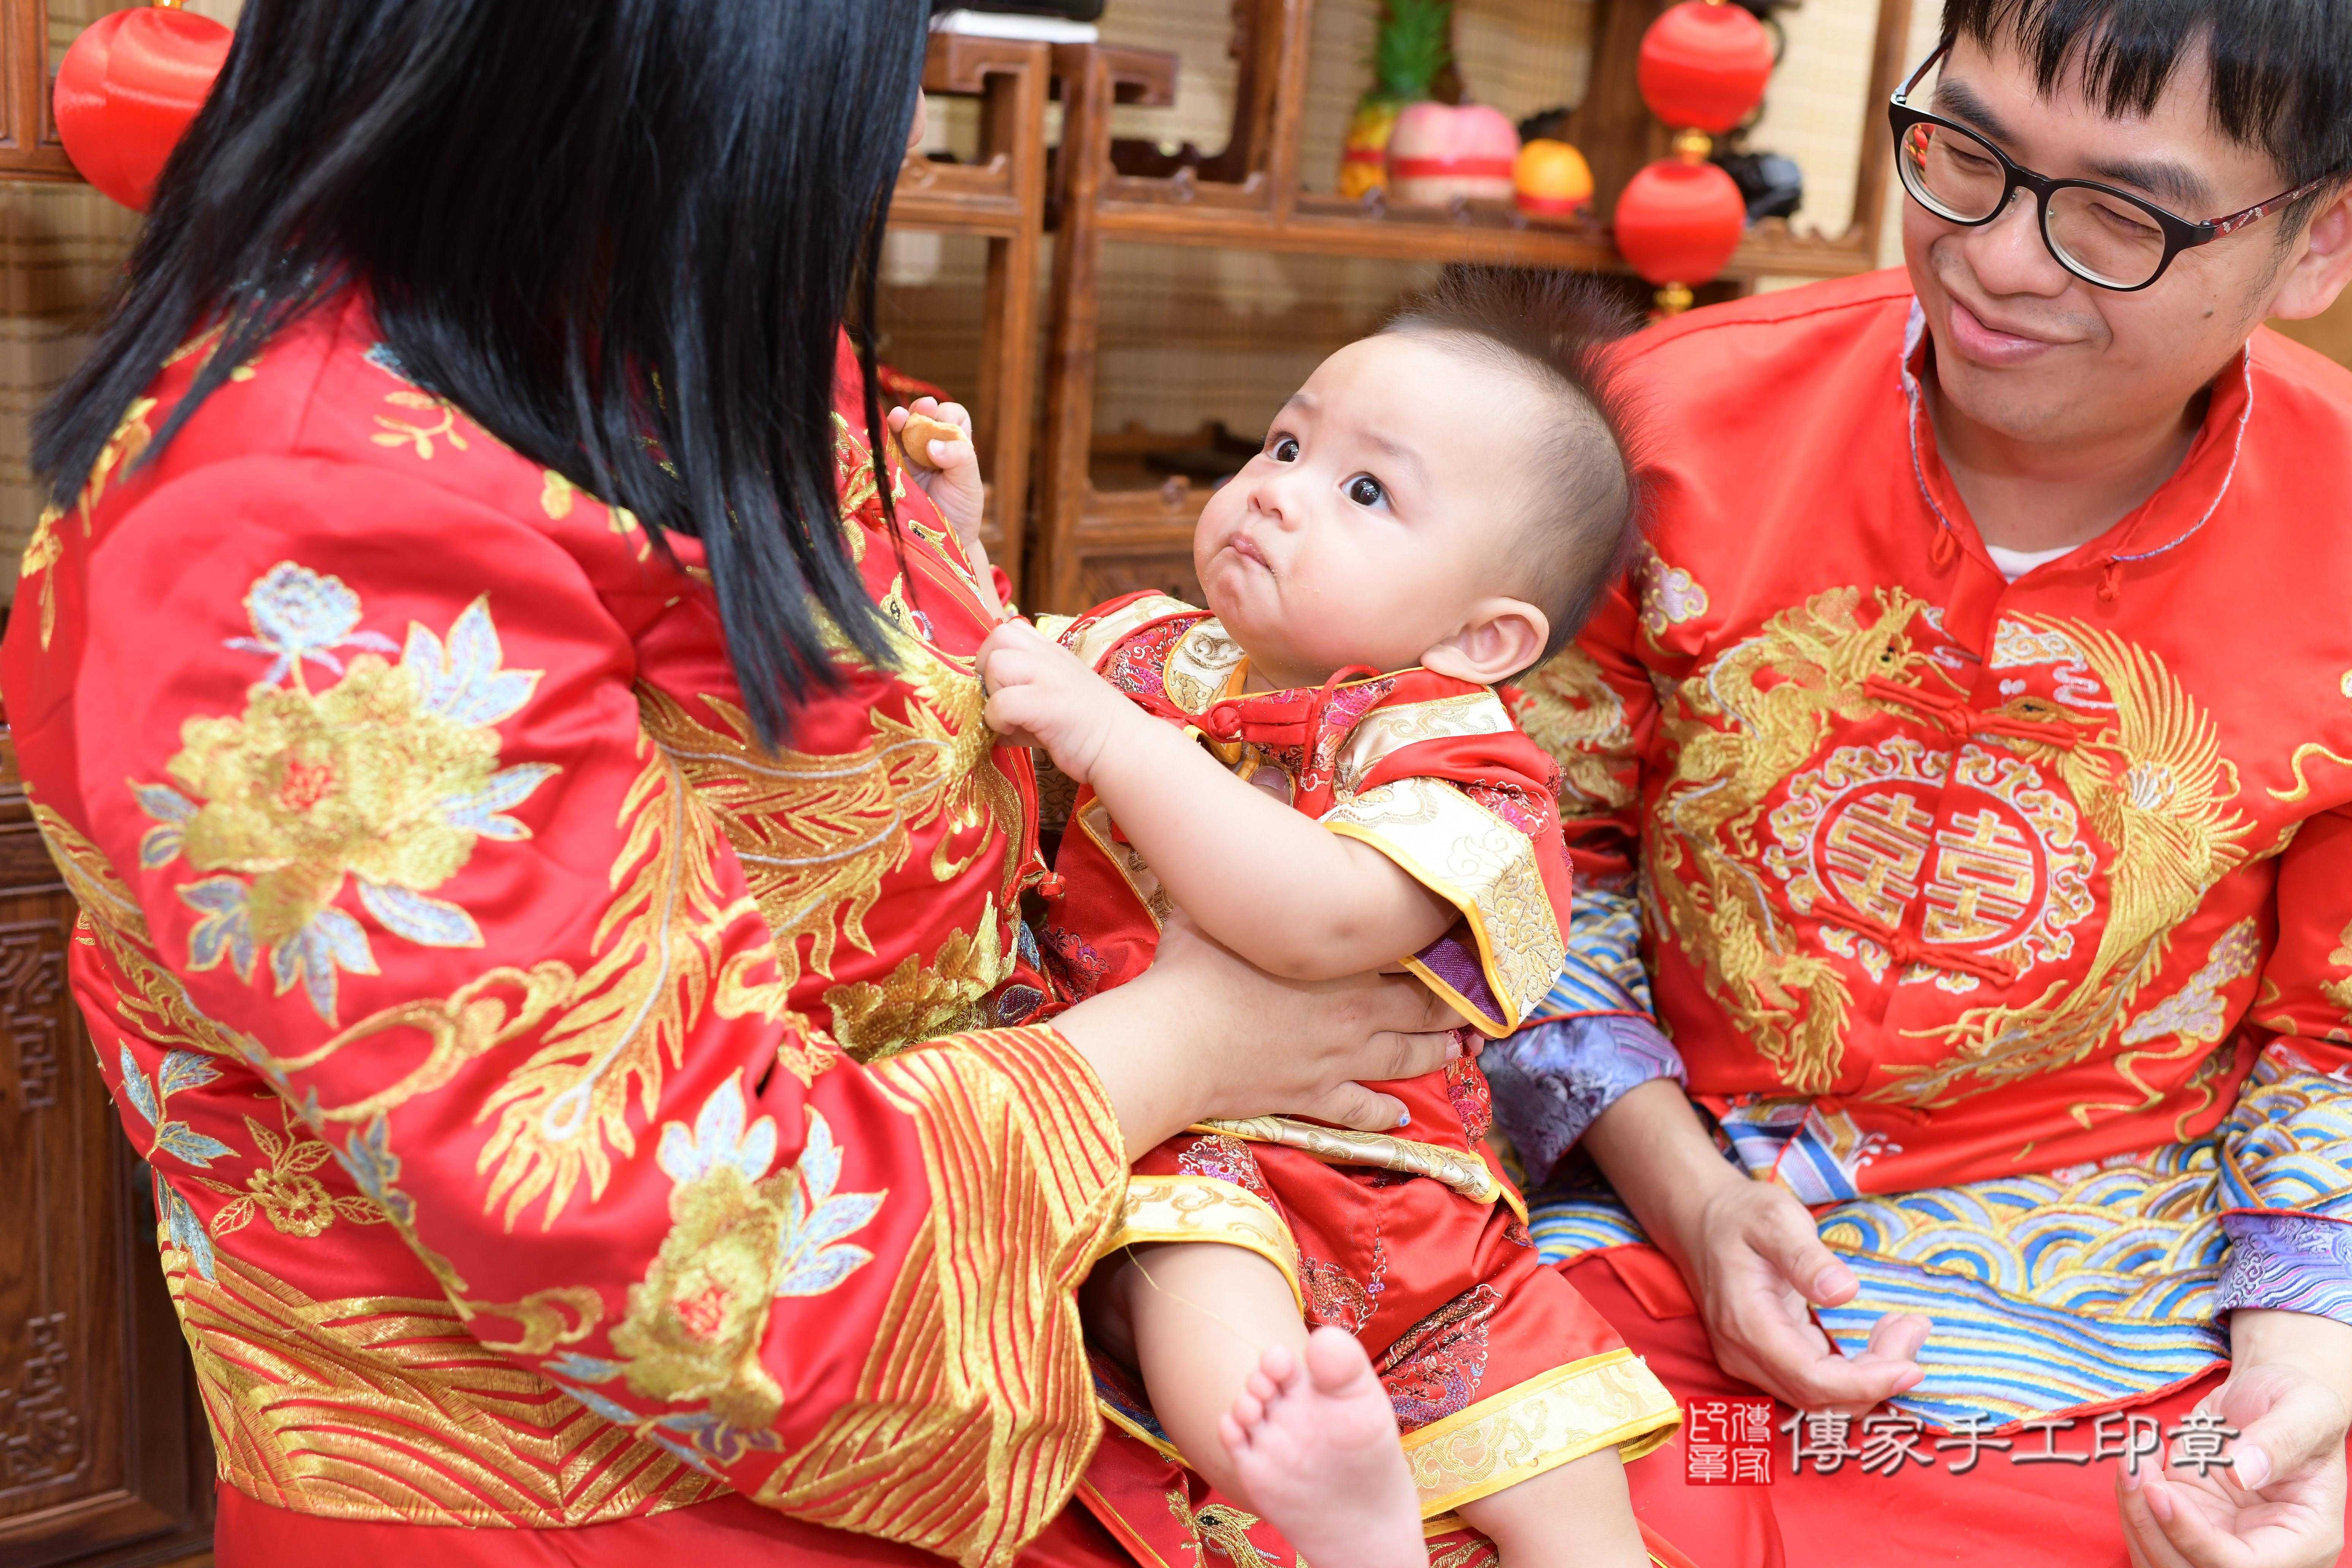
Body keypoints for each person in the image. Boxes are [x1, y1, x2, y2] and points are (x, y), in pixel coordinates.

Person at [2, 3, 1472, 1564]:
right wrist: (1181, 1042)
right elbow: (662, 1237)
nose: (911, 124)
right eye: (894, 59)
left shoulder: (628, 313)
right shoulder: (304, 530)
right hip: (609, 1475)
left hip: (971, 1277)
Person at [1479, 3, 2352, 1565]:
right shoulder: (1652, 430)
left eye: (2122, 214)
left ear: (2317, 244)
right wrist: (1686, 1200)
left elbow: (2334, 1047)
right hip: (1655, 1236)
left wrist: (2292, 1400)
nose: (2001, 260)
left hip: (2139, 1332)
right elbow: (1531, 862)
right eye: (1965, 155)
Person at [910, 270, 1682, 1568]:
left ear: (1485, 636)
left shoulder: (1463, 765)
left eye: (1364, 491)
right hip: (1198, 1150)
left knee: (1551, 1440)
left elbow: (1319, 923)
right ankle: (1344, 1524)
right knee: (1208, 1309)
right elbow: (989, 684)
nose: (1277, 487)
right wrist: (954, 548)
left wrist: (1111, 741)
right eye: (1284, 442)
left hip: (1400, 1174)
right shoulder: (1158, 651)